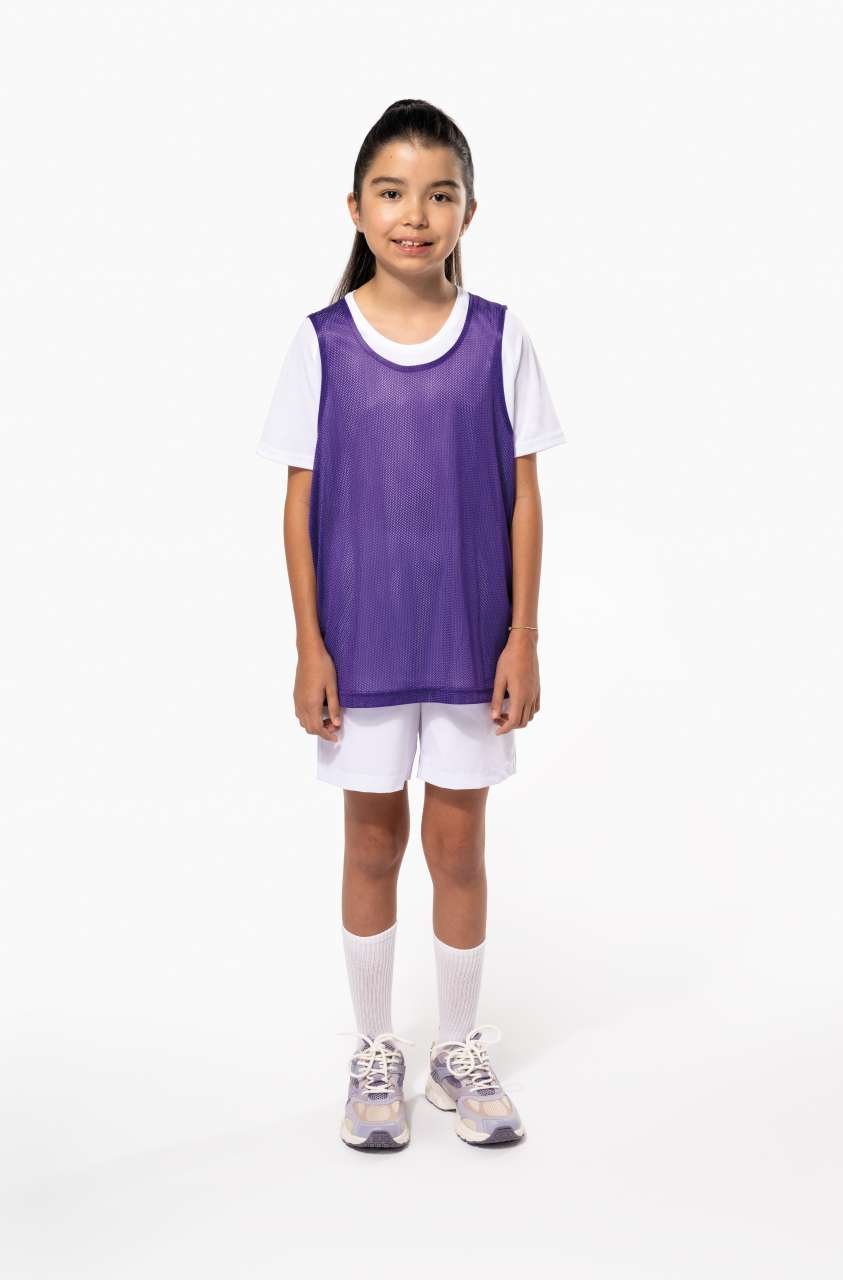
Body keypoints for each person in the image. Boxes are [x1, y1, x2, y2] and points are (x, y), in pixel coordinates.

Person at [256, 99, 566, 1151]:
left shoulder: (499, 337)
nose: (414, 215)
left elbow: (524, 498)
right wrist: (310, 646)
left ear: (468, 212)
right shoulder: (321, 344)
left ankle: (458, 1049)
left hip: (471, 641)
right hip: (363, 643)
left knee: (459, 842)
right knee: (373, 839)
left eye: (439, 195)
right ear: (355, 207)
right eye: (392, 193)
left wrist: (522, 636)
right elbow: (298, 504)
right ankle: (374, 1048)